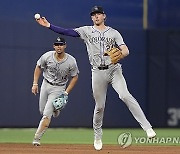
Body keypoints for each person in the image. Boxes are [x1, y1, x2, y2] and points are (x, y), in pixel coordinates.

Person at [35, 6, 156, 150]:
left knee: (125, 95)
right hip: (97, 72)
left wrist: (120, 54)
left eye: (98, 14)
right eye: (94, 15)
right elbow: (68, 32)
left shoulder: (114, 33)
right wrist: (49, 26)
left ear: (104, 16)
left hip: (114, 70)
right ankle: (97, 136)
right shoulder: (87, 31)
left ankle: (147, 127)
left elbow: (125, 50)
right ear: (92, 17)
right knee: (100, 106)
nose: (96, 16)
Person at [31, 37, 79, 146]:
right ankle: (56, 110)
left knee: (46, 114)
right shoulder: (47, 56)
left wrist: (66, 93)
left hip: (58, 88)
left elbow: (75, 77)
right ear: (54, 46)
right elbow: (38, 67)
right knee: (42, 110)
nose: (59, 47)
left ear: (65, 46)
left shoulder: (71, 61)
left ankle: (37, 138)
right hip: (46, 84)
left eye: (61, 44)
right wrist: (35, 83)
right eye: (57, 44)